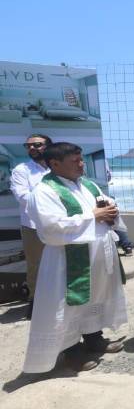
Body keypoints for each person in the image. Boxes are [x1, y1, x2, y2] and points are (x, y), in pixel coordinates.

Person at [22, 142, 127, 373]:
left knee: (95, 296)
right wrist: (93, 215)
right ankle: (72, 352)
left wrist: (111, 210)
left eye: (81, 159)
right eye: (75, 161)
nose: (81, 165)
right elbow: (51, 227)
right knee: (67, 306)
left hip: (96, 257)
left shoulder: (87, 184)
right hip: (66, 262)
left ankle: (94, 338)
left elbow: (104, 203)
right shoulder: (44, 191)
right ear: (55, 163)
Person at [10, 133, 52, 318]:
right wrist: (54, 201)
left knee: (63, 261)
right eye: (28, 146)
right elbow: (23, 197)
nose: (32, 148)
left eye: (37, 145)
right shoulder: (21, 170)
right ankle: (35, 303)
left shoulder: (57, 167)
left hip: (60, 223)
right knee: (36, 266)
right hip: (33, 226)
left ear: (48, 146)